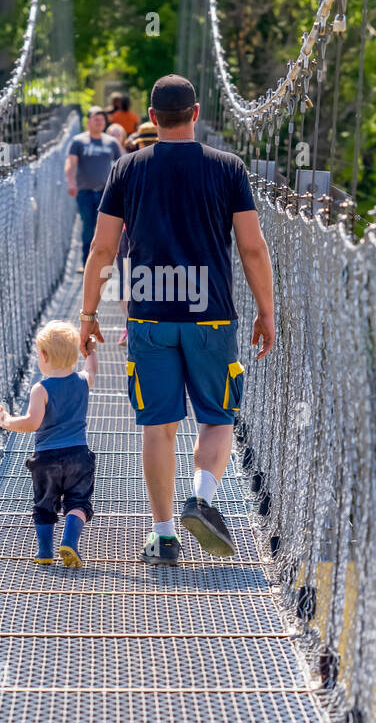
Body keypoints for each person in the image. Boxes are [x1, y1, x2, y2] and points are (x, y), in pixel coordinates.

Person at [79, 74, 276, 566]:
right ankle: (202, 498)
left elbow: (103, 248)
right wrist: (267, 311)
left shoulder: (126, 169)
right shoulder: (229, 168)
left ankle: (164, 536)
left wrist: (87, 314)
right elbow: (251, 248)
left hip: (148, 317)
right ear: (195, 113)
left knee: (158, 427)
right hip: (211, 318)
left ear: (150, 116)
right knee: (216, 417)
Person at [0, 320, 98, 568]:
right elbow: (92, 370)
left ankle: (44, 551)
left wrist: (6, 420)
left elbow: (31, 422)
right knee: (78, 503)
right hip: (78, 457)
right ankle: (70, 542)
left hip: (47, 459)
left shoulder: (40, 389)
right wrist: (91, 350)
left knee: (44, 503)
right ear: (74, 355)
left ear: (44, 356)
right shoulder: (83, 381)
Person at [65, 108, 122, 268]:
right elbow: (70, 163)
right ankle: (87, 263)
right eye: (96, 119)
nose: (99, 122)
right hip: (85, 193)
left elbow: (121, 163)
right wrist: (71, 182)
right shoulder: (79, 141)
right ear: (88, 121)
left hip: (106, 193)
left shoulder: (111, 143)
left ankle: (104, 263)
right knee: (88, 227)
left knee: (105, 229)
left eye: (102, 120)